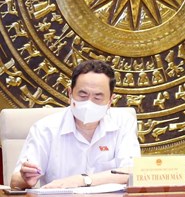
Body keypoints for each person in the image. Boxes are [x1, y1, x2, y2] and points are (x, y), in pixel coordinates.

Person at [11, 60, 141, 189]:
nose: (89, 103)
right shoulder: (45, 129)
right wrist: (25, 179)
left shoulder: (123, 123)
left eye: (97, 97)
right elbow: (15, 181)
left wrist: (82, 180)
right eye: (83, 95)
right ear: (70, 93)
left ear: (110, 100)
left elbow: (132, 172)